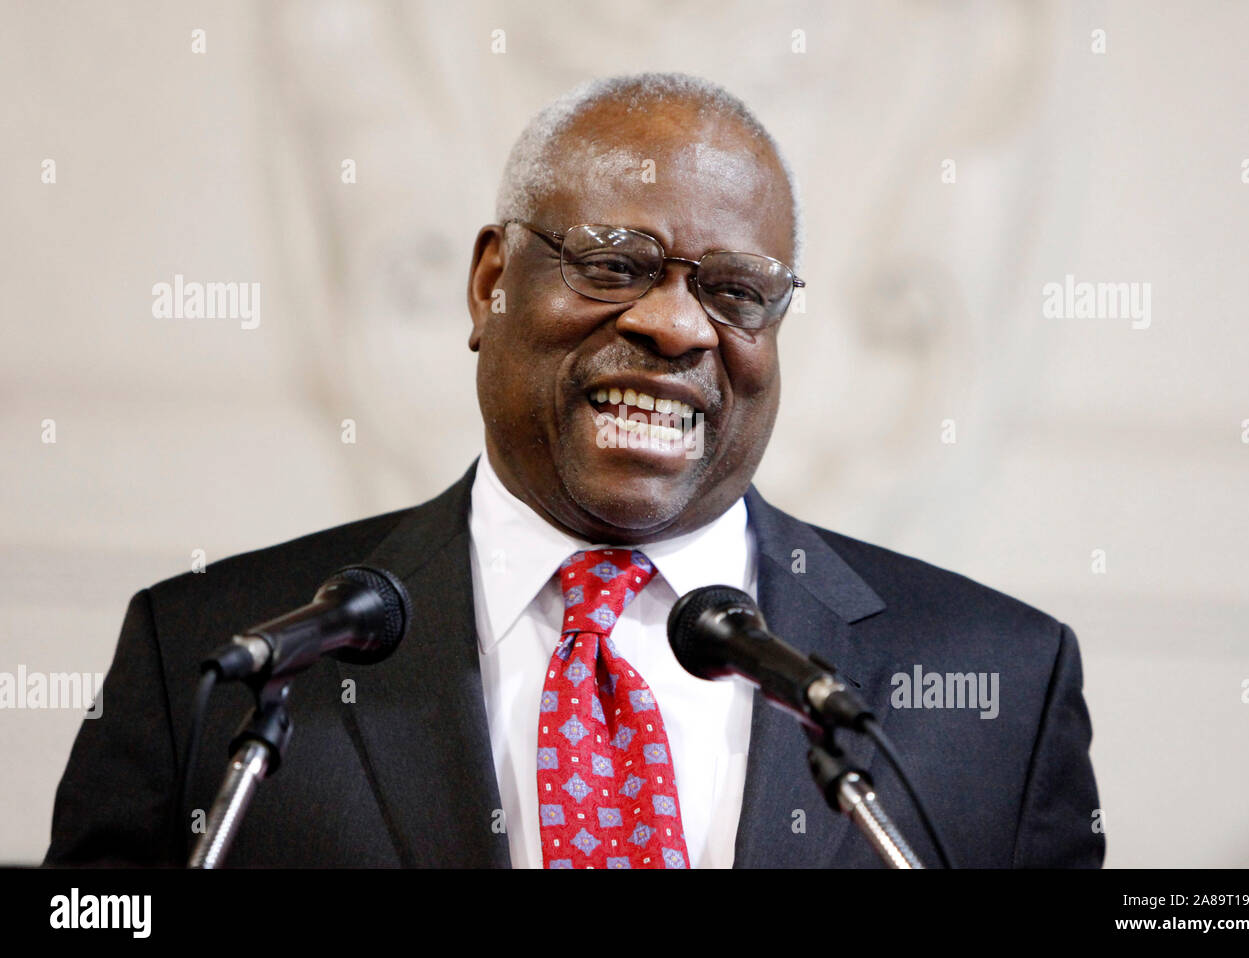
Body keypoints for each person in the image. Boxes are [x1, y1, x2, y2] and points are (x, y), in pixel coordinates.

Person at [45, 72, 1104, 869]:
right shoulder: (207, 659)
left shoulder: (1000, 686)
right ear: (490, 284)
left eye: (737, 289)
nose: (676, 324)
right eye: (613, 264)